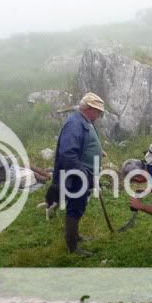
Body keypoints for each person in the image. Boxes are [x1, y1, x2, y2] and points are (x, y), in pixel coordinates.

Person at [51, 92, 105, 256]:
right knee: (75, 207)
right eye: (97, 111)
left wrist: (97, 151)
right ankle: (72, 246)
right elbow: (68, 154)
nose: (99, 115)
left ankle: (75, 235)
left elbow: (85, 142)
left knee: (79, 205)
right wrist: (84, 174)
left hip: (83, 173)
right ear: (88, 108)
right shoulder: (75, 124)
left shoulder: (85, 121)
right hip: (76, 175)